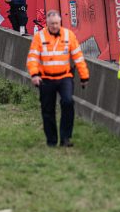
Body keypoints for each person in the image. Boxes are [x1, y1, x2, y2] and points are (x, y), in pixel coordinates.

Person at [27, 10, 89, 147]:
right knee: (47, 110)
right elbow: (32, 58)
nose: (54, 26)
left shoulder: (68, 35)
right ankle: (52, 140)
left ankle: (65, 138)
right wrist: (34, 75)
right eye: (51, 24)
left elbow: (78, 57)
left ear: (60, 22)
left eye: (56, 23)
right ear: (47, 24)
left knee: (68, 103)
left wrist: (84, 76)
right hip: (46, 79)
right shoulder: (39, 37)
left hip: (64, 77)